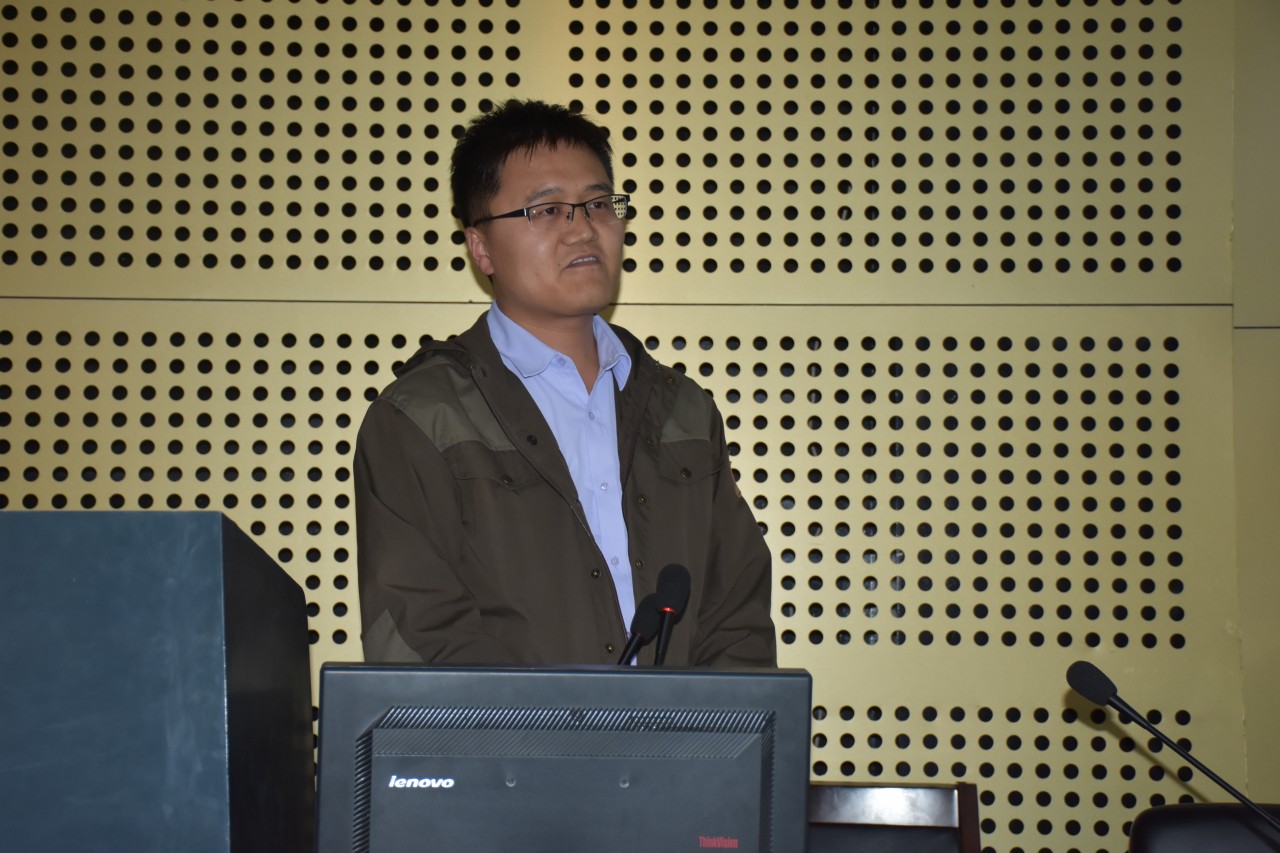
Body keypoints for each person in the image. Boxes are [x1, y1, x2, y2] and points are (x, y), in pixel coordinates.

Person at [354, 99, 776, 667]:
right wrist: (560, 725)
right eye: (547, 210)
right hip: (505, 730)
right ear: (481, 247)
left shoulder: (684, 411)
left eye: (598, 204)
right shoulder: (421, 418)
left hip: (683, 730)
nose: (583, 229)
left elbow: (737, 621)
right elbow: (421, 635)